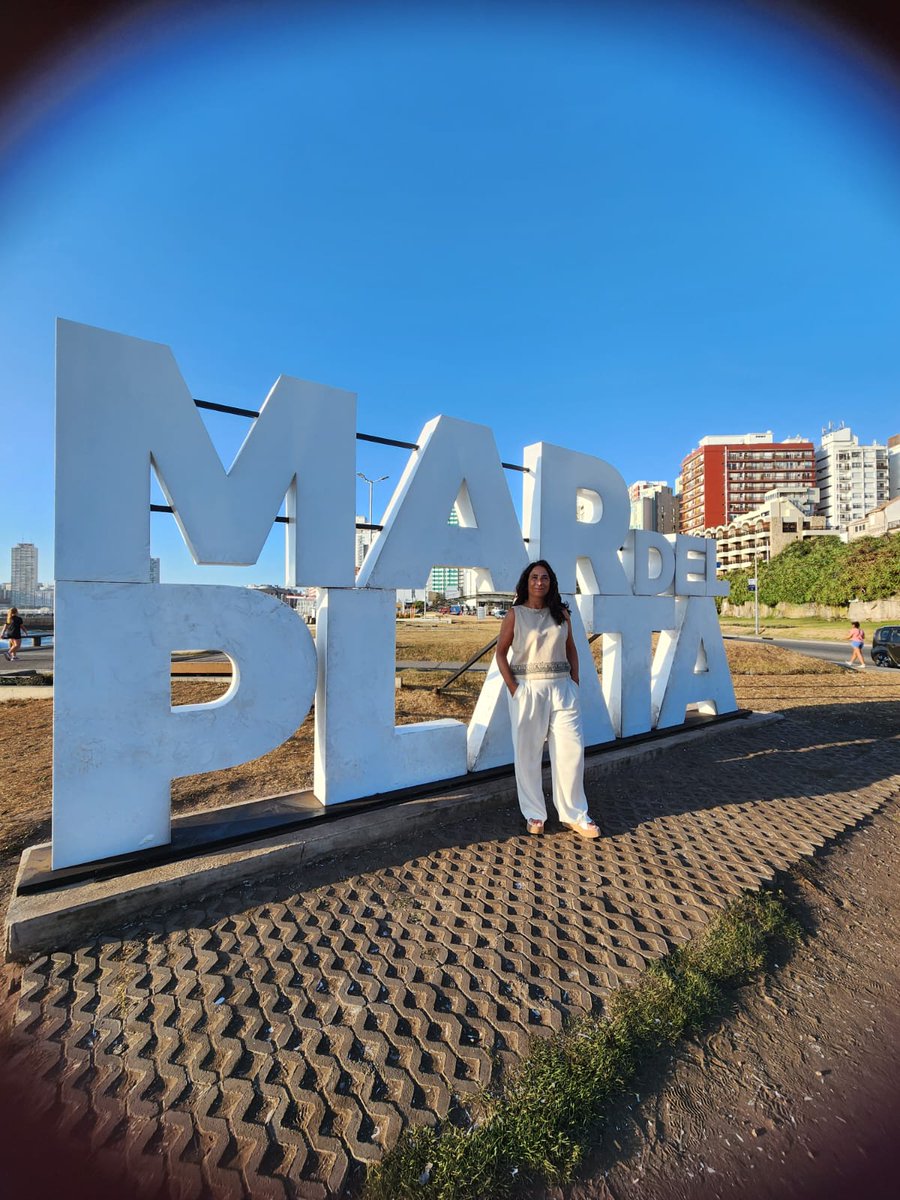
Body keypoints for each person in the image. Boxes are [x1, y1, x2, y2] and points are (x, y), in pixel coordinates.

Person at [496, 560, 600, 838]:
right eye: (534, 577)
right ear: (526, 582)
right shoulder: (515, 614)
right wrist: (515, 689)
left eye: (544, 577)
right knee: (527, 754)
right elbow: (500, 654)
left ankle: (574, 814)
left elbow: (571, 649)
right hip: (528, 689)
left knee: (571, 751)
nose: (539, 582)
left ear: (551, 582)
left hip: (563, 689)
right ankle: (534, 813)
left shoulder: (561, 613)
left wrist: (574, 682)